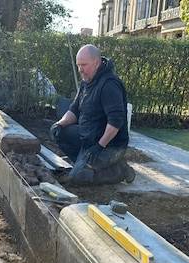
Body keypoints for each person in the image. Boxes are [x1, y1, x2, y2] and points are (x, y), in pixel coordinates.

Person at [50, 45, 134, 185]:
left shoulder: (109, 85)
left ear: (96, 63)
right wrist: (60, 124)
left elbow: (116, 121)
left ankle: (120, 170)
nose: (80, 69)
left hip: (110, 146)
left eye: (84, 65)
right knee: (60, 132)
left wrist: (100, 146)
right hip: (89, 138)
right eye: (78, 65)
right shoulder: (86, 82)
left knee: (78, 178)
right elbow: (74, 110)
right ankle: (84, 164)